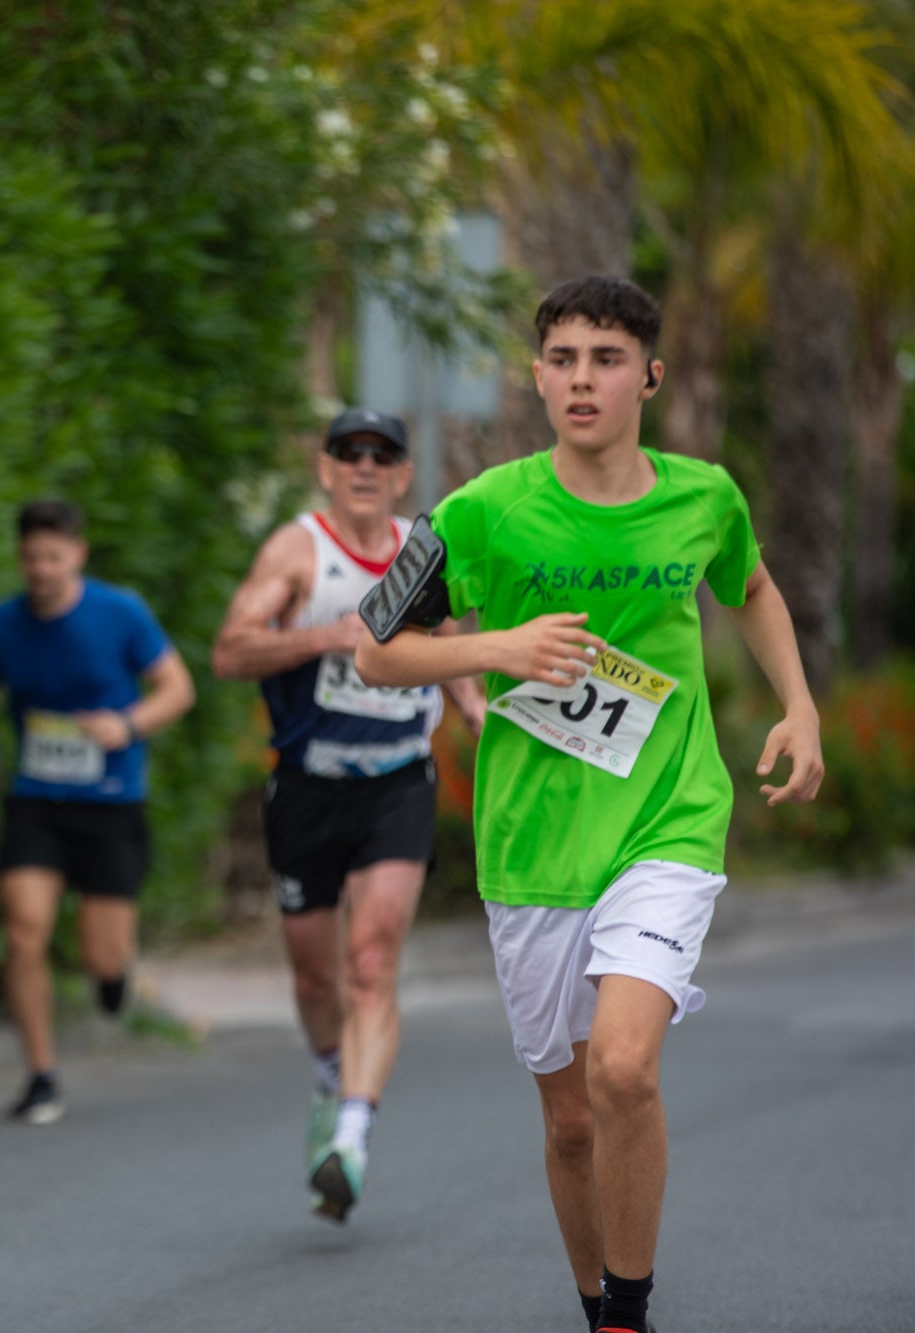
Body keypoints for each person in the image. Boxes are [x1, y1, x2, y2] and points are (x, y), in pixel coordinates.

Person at [355, 275, 822, 1333]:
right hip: (530, 844)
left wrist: (798, 708)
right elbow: (374, 650)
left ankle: (626, 1312)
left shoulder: (704, 497)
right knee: (569, 1119)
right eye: (560, 358)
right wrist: (495, 649)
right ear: (534, 375)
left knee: (621, 1065)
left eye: (605, 360)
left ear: (647, 377)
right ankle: (595, 1302)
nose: (580, 379)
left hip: (667, 817)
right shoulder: (480, 510)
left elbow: (746, 587)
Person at [212, 408, 485, 1222]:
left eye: (383, 455)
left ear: (403, 474)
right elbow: (231, 650)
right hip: (306, 785)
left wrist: (475, 710)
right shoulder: (298, 550)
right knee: (315, 973)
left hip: (396, 781)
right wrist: (326, 637)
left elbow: (448, 642)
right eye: (348, 453)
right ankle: (333, 1075)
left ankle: (353, 1136)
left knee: (370, 962)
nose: (365, 465)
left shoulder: (420, 550)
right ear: (326, 468)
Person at [0, 500, 196, 1125]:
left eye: (54, 557)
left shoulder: (121, 614)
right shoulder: (2, 624)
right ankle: (40, 1074)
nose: (41, 569)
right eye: (31, 557)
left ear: (78, 555)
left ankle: (114, 975)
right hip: (36, 801)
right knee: (23, 928)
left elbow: (178, 689)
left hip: (111, 803)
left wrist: (127, 723)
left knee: (101, 955)